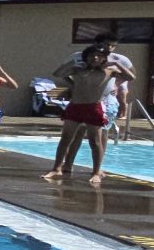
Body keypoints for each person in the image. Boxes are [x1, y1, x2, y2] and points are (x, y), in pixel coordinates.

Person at [42, 46, 133, 185]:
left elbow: (130, 77)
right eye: (91, 56)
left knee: (95, 141)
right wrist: (72, 62)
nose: (95, 58)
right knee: (66, 138)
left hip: (93, 107)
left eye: (98, 56)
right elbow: (57, 73)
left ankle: (96, 172)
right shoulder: (78, 70)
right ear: (86, 58)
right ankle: (56, 169)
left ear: (104, 58)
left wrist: (116, 63)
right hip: (75, 106)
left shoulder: (109, 71)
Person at [56, 34, 137, 134]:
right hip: (82, 100)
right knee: (77, 133)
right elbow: (62, 73)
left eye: (113, 46)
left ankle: (101, 149)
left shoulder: (119, 59)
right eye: (107, 44)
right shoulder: (79, 57)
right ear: (96, 43)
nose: (110, 48)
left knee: (101, 134)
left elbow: (131, 75)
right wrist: (73, 85)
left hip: (107, 99)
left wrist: (116, 84)